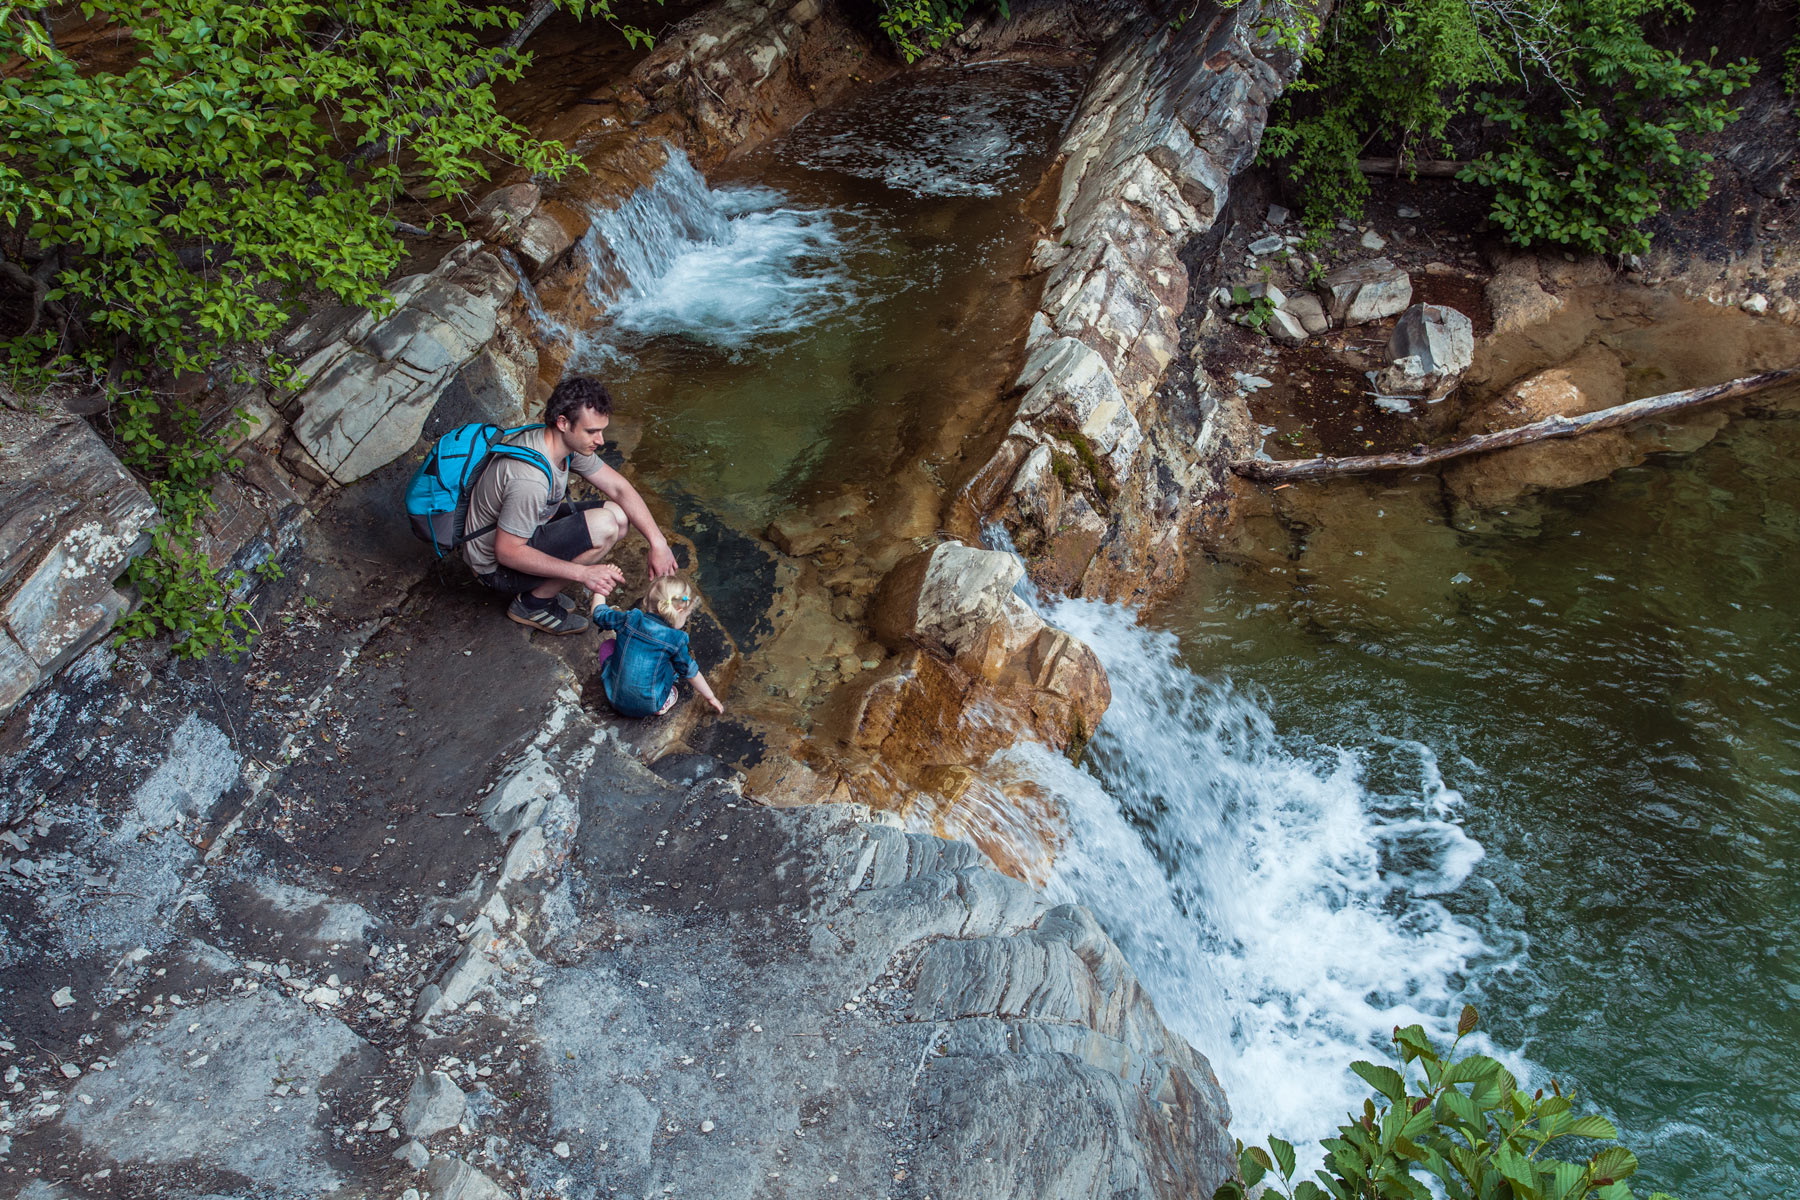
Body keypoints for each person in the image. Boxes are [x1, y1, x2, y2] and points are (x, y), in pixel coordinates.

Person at [462, 376, 678, 634]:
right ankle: (532, 604)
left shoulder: (559, 443)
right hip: (495, 569)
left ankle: (543, 587)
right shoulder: (529, 479)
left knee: (619, 516)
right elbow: (507, 552)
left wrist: (658, 542)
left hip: (528, 528)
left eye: (601, 430)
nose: (600, 440)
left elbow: (619, 488)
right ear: (563, 422)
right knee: (605, 526)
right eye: (591, 432)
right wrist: (582, 574)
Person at [592, 575, 724, 718]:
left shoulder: (630, 618)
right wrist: (711, 697)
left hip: (615, 697)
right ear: (679, 611)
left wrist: (600, 589)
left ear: (647, 601)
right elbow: (690, 672)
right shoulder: (675, 639)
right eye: (687, 615)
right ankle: (664, 702)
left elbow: (599, 614)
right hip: (649, 705)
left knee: (607, 645)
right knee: (672, 664)